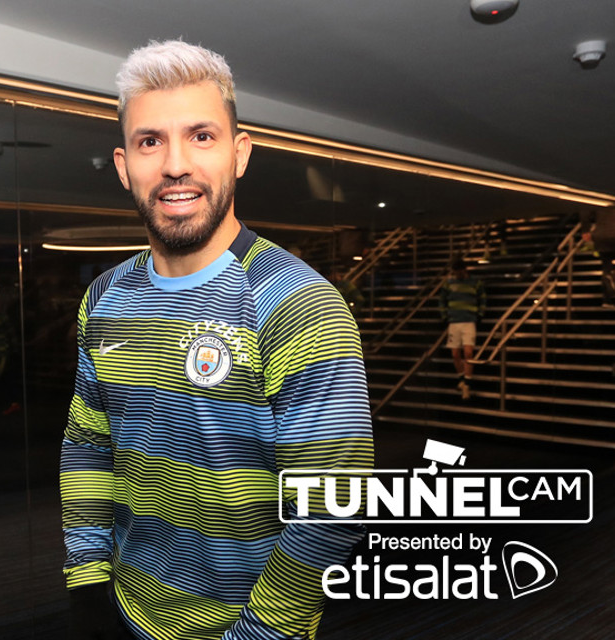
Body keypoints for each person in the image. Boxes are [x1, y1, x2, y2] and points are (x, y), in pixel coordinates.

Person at [60, 40, 374, 640]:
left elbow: (335, 507)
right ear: (125, 166)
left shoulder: (296, 304)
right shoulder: (103, 297)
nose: (175, 164)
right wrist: (89, 583)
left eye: (201, 136)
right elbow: (88, 446)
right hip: (128, 612)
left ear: (239, 154)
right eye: (151, 141)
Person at [439, 258, 485, 400]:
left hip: (469, 320)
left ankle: (467, 383)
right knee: (455, 354)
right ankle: (462, 379)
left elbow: (482, 298)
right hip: (454, 321)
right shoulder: (448, 283)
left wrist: (480, 314)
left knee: (468, 352)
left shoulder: (475, 283)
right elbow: (442, 299)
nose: (457, 275)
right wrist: (444, 315)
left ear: (464, 270)